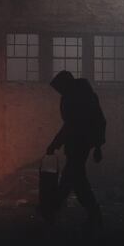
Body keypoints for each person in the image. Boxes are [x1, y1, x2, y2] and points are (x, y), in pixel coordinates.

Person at [44, 70, 106, 227]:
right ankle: (91, 212)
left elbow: (71, 125)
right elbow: (99, 121)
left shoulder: (74, 98)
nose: (58, 92)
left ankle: (52, 208)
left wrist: (54, 144)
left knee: (71, 178)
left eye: (59, 88)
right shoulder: (85, 95)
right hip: (81, 145)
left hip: (78, 145)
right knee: (76, 180)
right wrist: (97, 146)